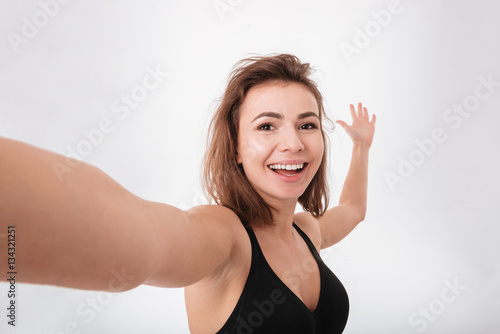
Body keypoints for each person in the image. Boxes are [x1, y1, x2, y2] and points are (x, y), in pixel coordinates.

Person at [0, 53, 376, 334]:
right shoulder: (224, 236)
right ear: (235, 149)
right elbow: (143, 236)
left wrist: (361, 147)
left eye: (307, 125)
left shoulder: (307, 230)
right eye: (267, 126)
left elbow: (353, 209)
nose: (293, 143)